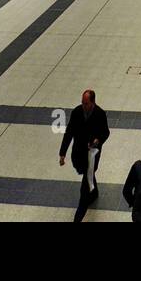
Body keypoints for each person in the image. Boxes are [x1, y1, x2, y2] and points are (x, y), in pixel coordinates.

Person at [58, 89, 110, 222]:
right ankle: (94, 192)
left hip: (92, 155)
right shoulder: (76, 112)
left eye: (86, 103)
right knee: (87, 174)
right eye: (82, 103)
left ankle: (78, 218)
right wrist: (62, 153)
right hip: (79, 153)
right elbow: (69, 133)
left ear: (93, 102)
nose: (83, 106)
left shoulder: (100, 114)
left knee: (85, 188)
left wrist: (98, 140)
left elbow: (106, 132)